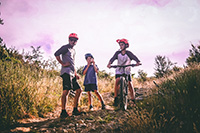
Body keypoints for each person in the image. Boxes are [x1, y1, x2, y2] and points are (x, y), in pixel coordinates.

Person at [54, 33, 83, 118]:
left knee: (79, 90)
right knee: (66, 91)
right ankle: (63, 112)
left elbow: (72, 62)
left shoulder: (73, 50)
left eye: (75, 40)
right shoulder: (65, 47)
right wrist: (62, 63)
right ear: (69, 40)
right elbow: (56, 54)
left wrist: (75, 73)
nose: (73, 41)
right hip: (66, 72)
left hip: (72, 73)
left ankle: (75, 109)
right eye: (72, 40)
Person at [107, 38, 141, 106]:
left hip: (127, 70)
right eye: (120, 45)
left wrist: (138, 62)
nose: (121, 46)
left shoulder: (128, 53)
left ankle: (133, 100)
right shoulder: (117, 53)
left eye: (122, 45)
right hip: (119, 70)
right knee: (117, 81)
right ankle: (116, 98)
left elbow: (135, 57)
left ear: (126, 45)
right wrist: (109, 64)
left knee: (129, 84)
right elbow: (112, 58)